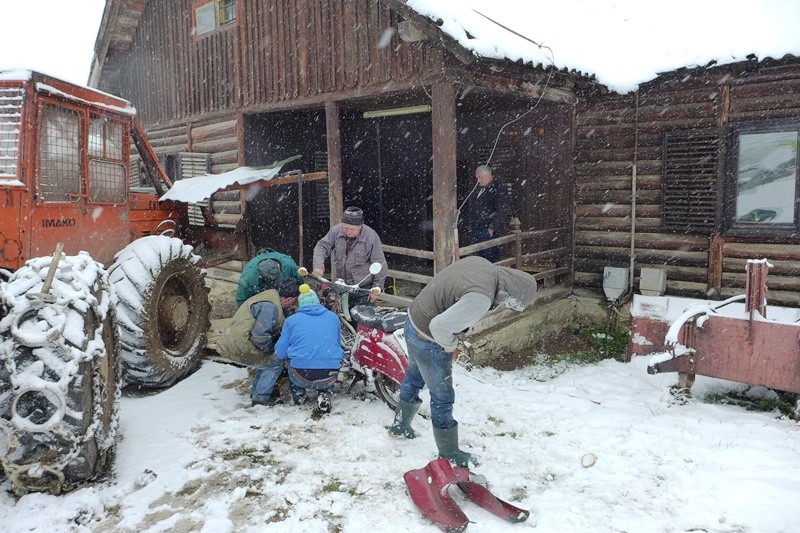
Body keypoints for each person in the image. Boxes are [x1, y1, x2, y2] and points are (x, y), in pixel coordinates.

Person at [388, 256, 538, 467]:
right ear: (508, 294)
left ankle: (399, 426)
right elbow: (439, 327)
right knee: (442, 396)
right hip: (429, 336)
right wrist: (450, 346)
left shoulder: (483, 264)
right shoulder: (481, 298)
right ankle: (449, 453)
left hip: (413, 321)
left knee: (414, 375)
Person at [214, 279, 300, 406]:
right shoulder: (270, 308)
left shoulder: (272, 296)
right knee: (274, 362)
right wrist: (272, 349)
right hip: (239, 344)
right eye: (294, 301)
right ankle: (261, 398)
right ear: (288, 299)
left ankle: (256, 391)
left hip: (236, 339)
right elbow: (260, 337)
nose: (294, 305)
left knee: (265, 361)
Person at [273, 284, 344, 415]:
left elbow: (280, 352)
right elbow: (337, 343)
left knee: (292, 362)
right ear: (318, 302)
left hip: (302, 373)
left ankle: (299, 395)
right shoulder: (333, 318)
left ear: (300, 304)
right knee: (325, 360)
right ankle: (324, 393)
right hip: (329, 373)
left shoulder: (291, 320)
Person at [312, 206, 387, 305]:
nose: (347, 231)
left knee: (362, 317)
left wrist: (376, 288)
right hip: (341, 286)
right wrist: (318, 266)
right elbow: (322, 246)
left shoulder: (371, 237)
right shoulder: (336, 231)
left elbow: (380, 263)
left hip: (363, 288)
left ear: (360, 226)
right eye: (345, 228)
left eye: (352, 229)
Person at [465, 165, 509, 263]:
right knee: (477, 258)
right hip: (476, 228)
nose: (478, 180)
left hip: (488, 229)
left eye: (480, 177)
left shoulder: (498, 188)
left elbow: (502, 209)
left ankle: (491, 277)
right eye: (477, 178)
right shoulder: (479, 189)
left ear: (488, 175)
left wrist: (492, 227)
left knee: (490, 258)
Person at [236, 248, 304, 307]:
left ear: (278, 266)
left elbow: (301, 284)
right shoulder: (248, 279)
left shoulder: (290, 266)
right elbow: (241, 301)